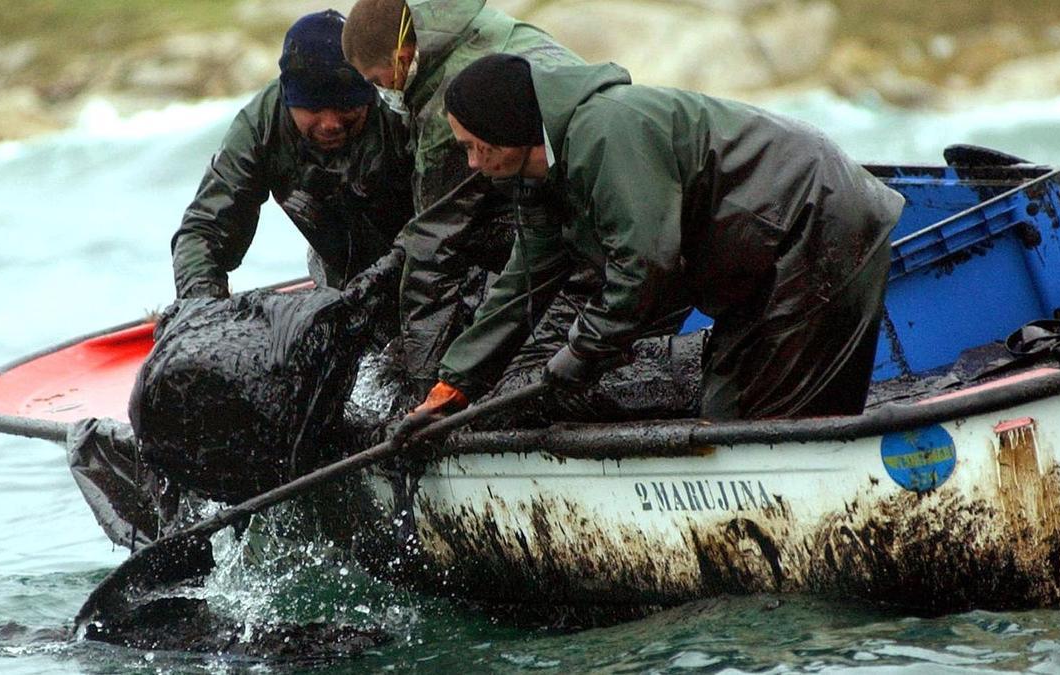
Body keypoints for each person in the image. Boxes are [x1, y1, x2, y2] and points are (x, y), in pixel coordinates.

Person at [395, 54, 906, 439]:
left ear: (503, 131)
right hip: (761, 263)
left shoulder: (606, 131)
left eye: (469, 146)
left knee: (759, 430)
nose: (468, 163)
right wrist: (453, 385)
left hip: (817, 224)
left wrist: (582, 351)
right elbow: (522, 282)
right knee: (726, 413)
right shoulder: (537, 175)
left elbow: (646, 264)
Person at [341, 0, 597, 399]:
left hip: (587, 210)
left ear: (402, 57)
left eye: (378, 79)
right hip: (579, 186)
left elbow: (434, 244)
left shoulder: (451, 106)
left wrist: (424, 385)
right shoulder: (479, 28)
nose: (381, 91)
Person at [171, 10, 413, 299]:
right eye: (314, 109)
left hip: (418, 265)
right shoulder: (261, 125)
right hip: (340, 282)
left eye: (346, 108)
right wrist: (203, 308)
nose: (331, 123)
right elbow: (204, 232)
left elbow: (445, 220)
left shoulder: (400, 110)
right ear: (289, 100)